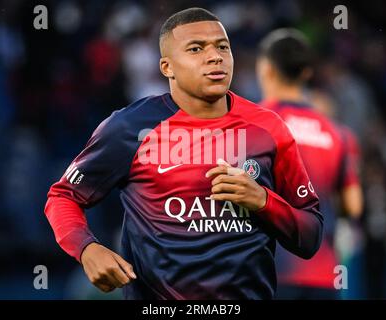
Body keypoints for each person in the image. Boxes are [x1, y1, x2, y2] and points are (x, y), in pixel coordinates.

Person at [44, 8, 323, 300]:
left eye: (222, 47)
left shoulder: (269, 128)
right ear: (167, 67)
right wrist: (87, 248)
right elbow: (63, 196)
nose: (215, 56)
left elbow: (311, 235)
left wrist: (264, 201)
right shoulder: (128, 127)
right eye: (196, 49)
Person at [256, 28, 363, 299]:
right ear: (306, 73)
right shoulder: (337, 133)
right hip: (325, 274)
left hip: (271, 272)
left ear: (266, 69)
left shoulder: (254, 123)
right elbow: (353, 204)